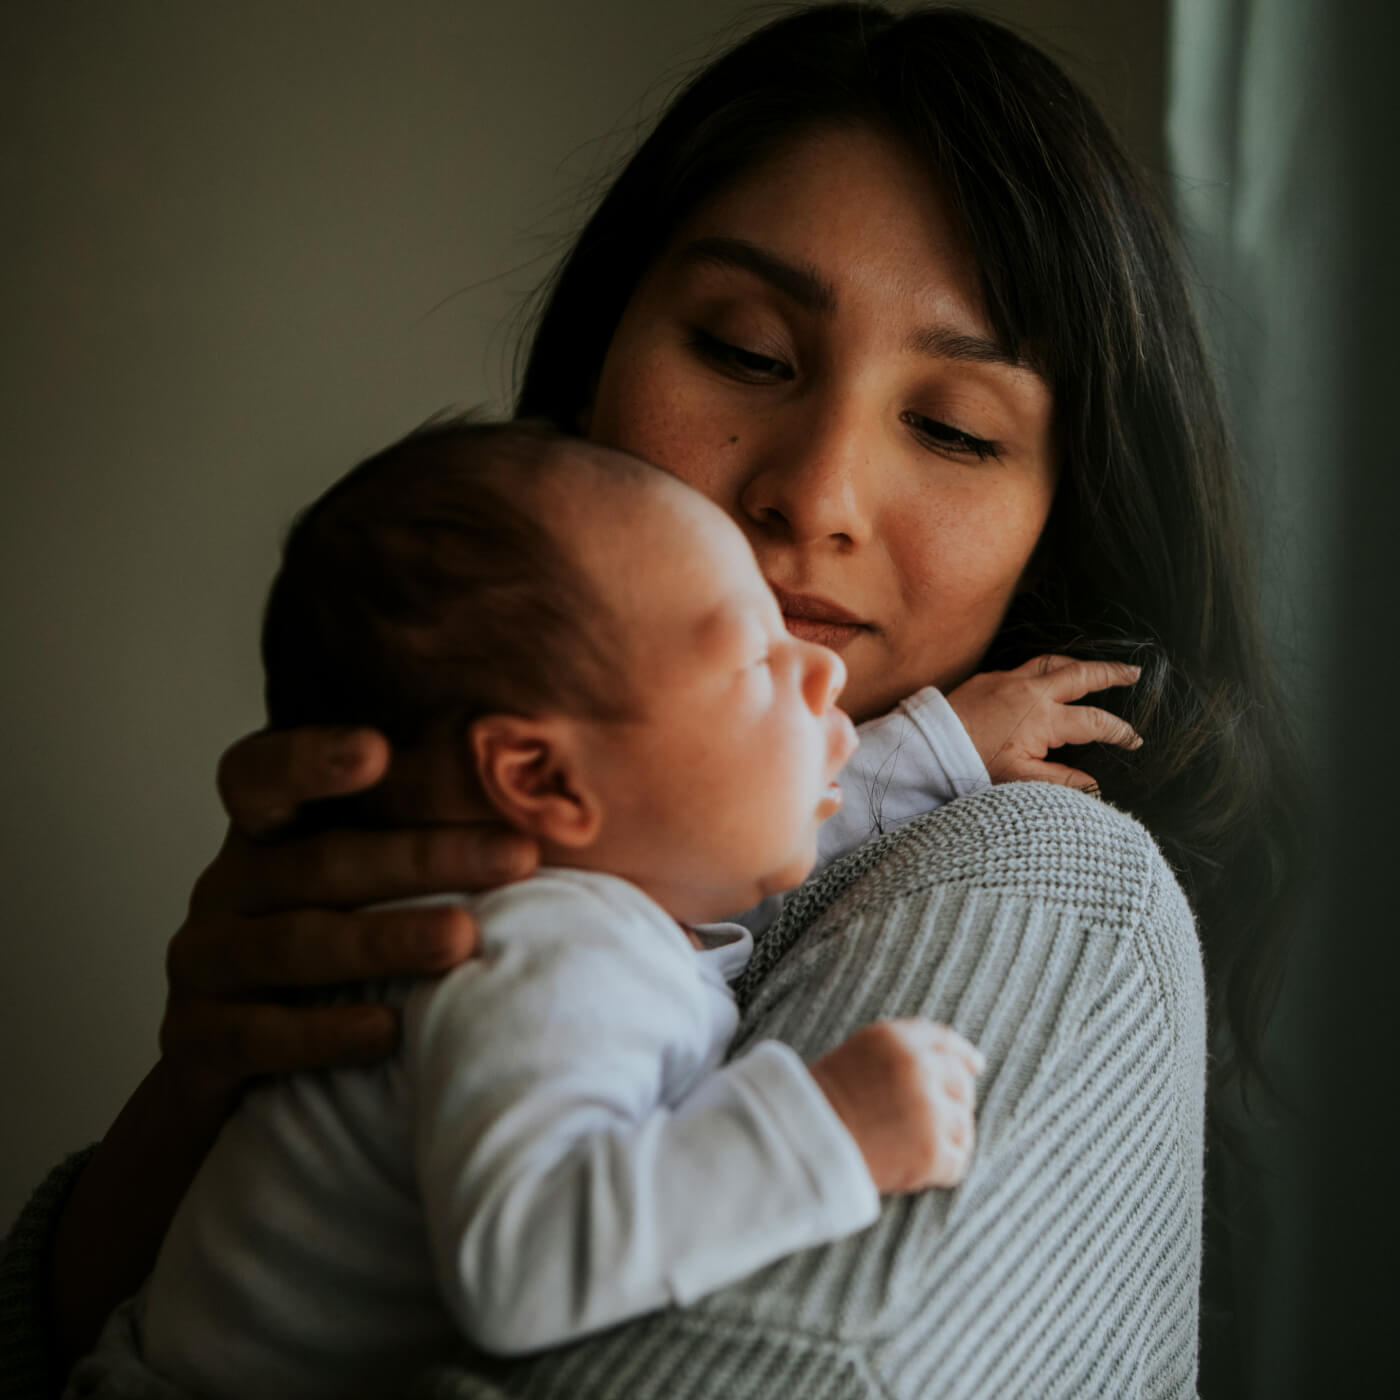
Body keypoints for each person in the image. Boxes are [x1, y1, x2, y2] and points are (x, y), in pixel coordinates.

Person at [3, 5, 1304, 1398]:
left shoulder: (1051, 878)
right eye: (746, 353)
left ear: (1067, 515)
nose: (814, 492)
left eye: (954, 428)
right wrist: (213, 1078)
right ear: (593, 369)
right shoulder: (582, 894)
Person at [124, 417, 999, 1396]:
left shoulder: (586, 902)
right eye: (755, 660)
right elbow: (523, 1266)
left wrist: (936, 751)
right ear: (540, 776)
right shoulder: (541, 951)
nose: (820, 671)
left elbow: (745, 823)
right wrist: (824, 1128)